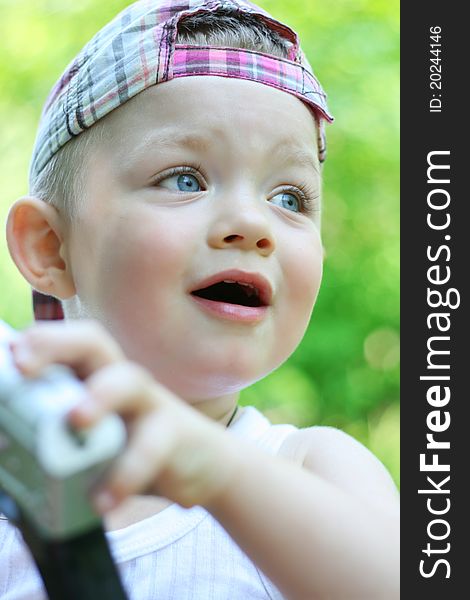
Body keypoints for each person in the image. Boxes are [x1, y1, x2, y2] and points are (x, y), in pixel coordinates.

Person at [1, 0, 399, 598]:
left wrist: (216, 469)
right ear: (52, 248)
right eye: (185, 179)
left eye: (290, 198)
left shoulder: (311, 469)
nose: (252, 222)